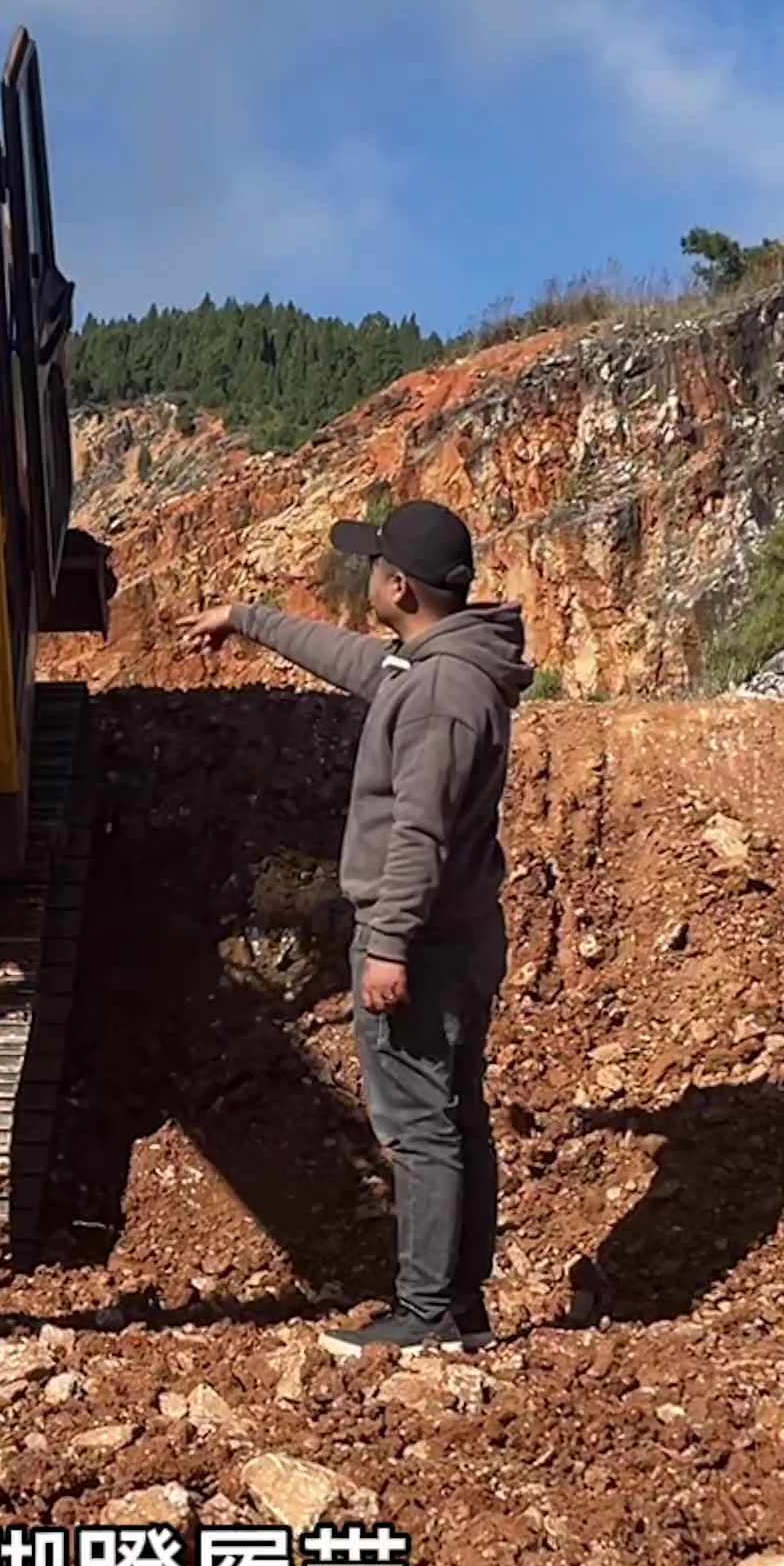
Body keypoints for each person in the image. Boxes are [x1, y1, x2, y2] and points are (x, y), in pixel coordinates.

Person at [184, 502, 534, 1355]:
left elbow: (419, 830)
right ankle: (457, 1307)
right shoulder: (438, 665)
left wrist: (387, 946)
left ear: (398, 585)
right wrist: (248, 620)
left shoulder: (440, 696)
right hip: (451, 931)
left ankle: (427, 1314)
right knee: (451, 1115)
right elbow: (357, 662)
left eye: (372, 565)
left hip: (424, 939)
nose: (365, 576)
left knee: (420, 1125)